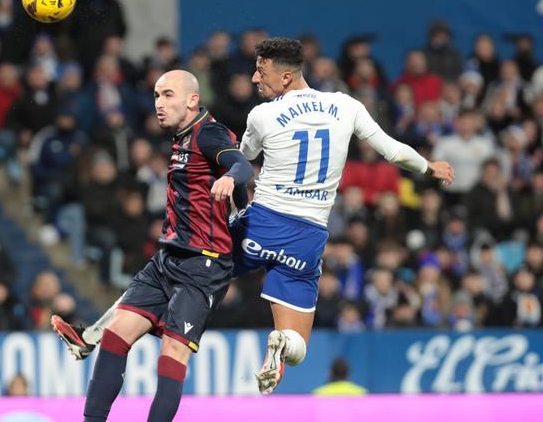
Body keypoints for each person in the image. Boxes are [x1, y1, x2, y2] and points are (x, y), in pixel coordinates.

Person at [52, 38, 454, 396]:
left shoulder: (262, 115)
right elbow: (392, 150)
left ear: (284, 77)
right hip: (308, 236)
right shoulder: (347, 106)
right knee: (297, 348)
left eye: (260, 71)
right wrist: (428, 167)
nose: (253, 78)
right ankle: (279, 342)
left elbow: (239, 163)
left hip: (260, 223)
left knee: (174, 265)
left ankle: (93, 335)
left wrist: (226, 191)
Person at [60, 70, 252, 422]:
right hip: (168, 258)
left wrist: (230, 179)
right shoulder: (180, 135)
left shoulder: (209, 133)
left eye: (167, 95)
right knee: (116, 335)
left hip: (203, 265)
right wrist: (237, 199)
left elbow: (241, 165)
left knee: (172, 352)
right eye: (156, 96)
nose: (158, 104)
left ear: (192, 100)